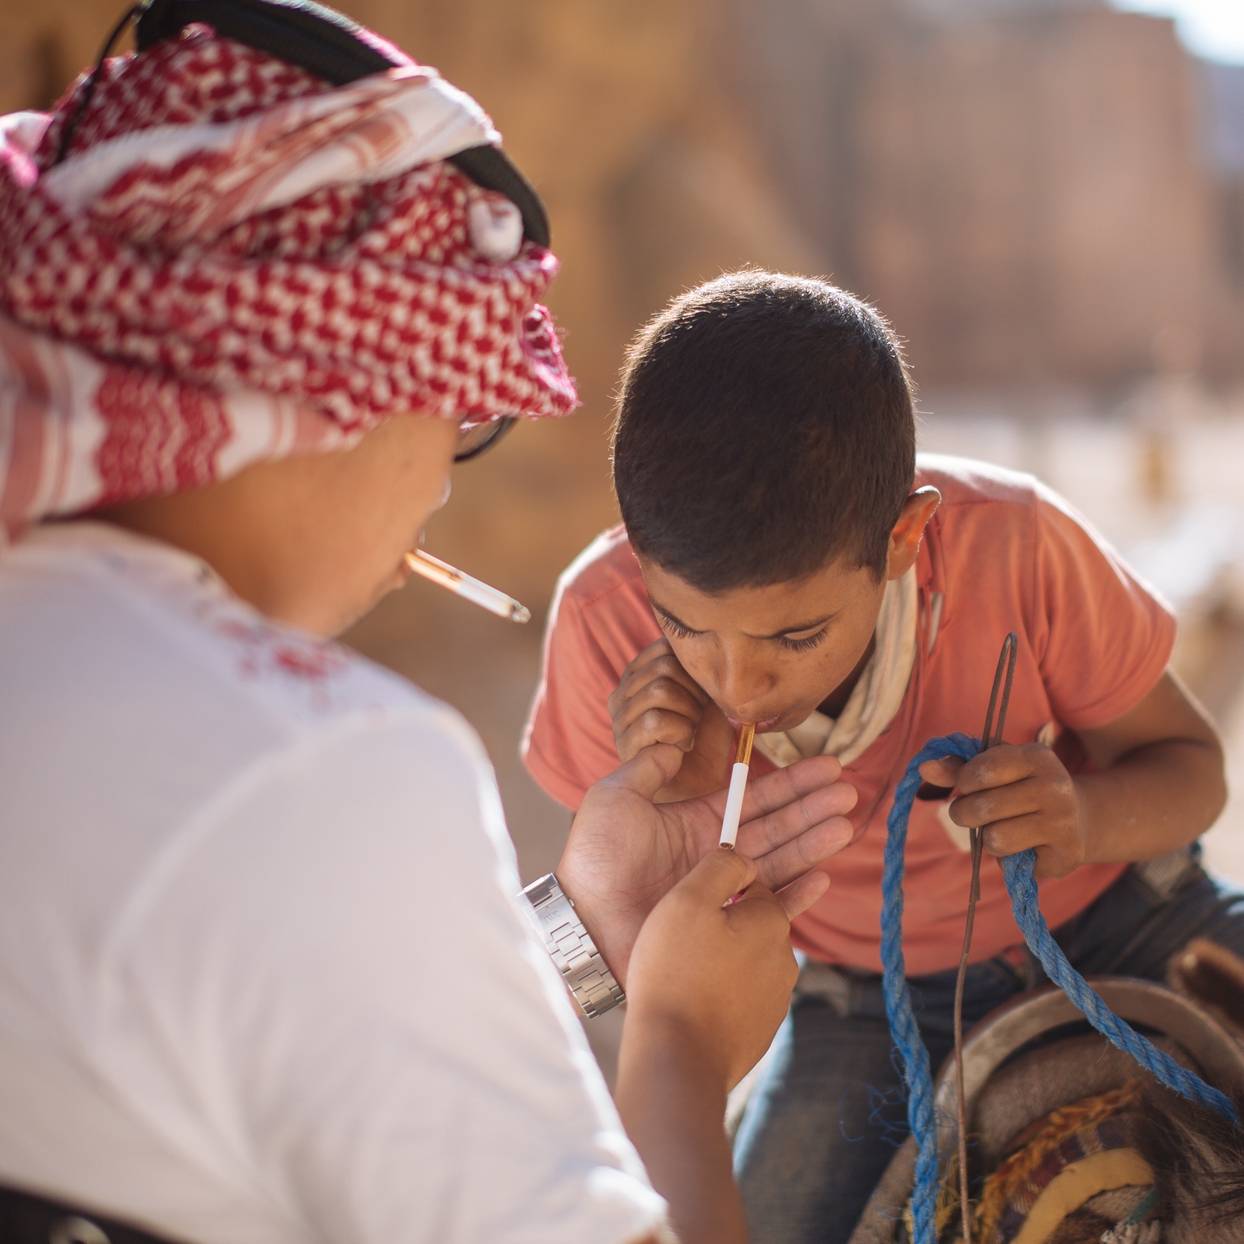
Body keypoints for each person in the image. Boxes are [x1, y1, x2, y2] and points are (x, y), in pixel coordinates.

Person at [0, 20, 860, 1244]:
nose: (440, 485)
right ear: (327, 379)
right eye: (459, 416)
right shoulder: (322, 765)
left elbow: (237, 1023)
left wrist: (584, 930)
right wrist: (676, 1043)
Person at [521, 271, 1240, 1243]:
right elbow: (594, 940)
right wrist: (654, 794)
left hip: (1124, 915)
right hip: (857, 995)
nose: (735, 685)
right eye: (683, 625)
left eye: (793, 634)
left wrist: (1083, 816)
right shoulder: (602, 622)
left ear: (903, 535)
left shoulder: (1017, 549)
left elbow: (1192, 768)